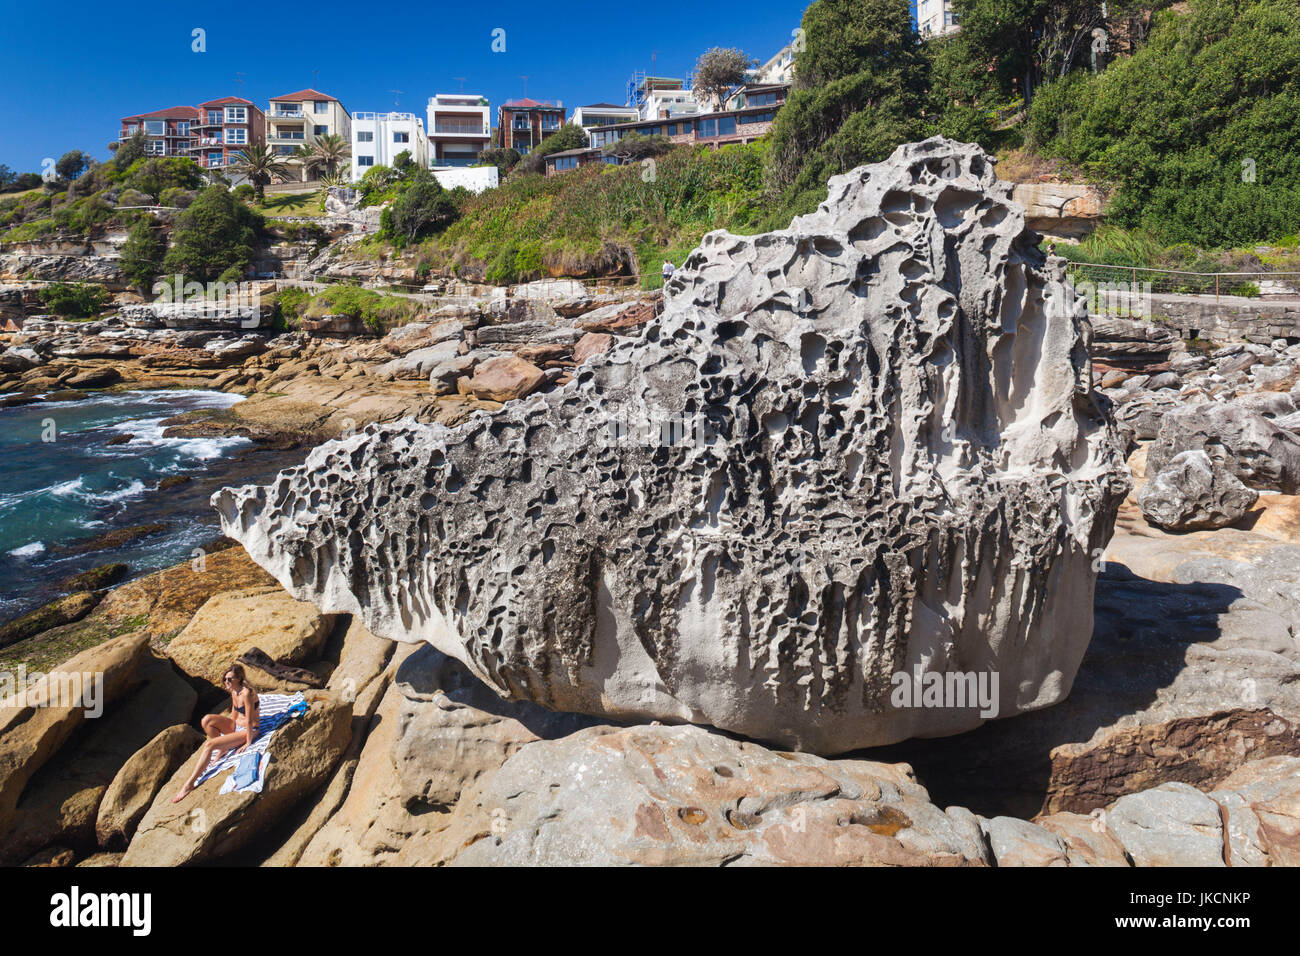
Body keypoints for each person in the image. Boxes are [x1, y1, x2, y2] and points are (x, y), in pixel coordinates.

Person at [172, 663, 260, 802]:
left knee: (210, 745)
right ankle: (223, 747)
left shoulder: (246, 693)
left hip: (249, 730)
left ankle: (189, 784)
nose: (226, 682)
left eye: (229, 679)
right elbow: (235, 713)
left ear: (239, 678)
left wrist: (248, 742)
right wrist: (229, 729)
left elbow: (249, 720)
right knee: (206, 720)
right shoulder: (234, 691)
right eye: (225, 679)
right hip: (237, 726)